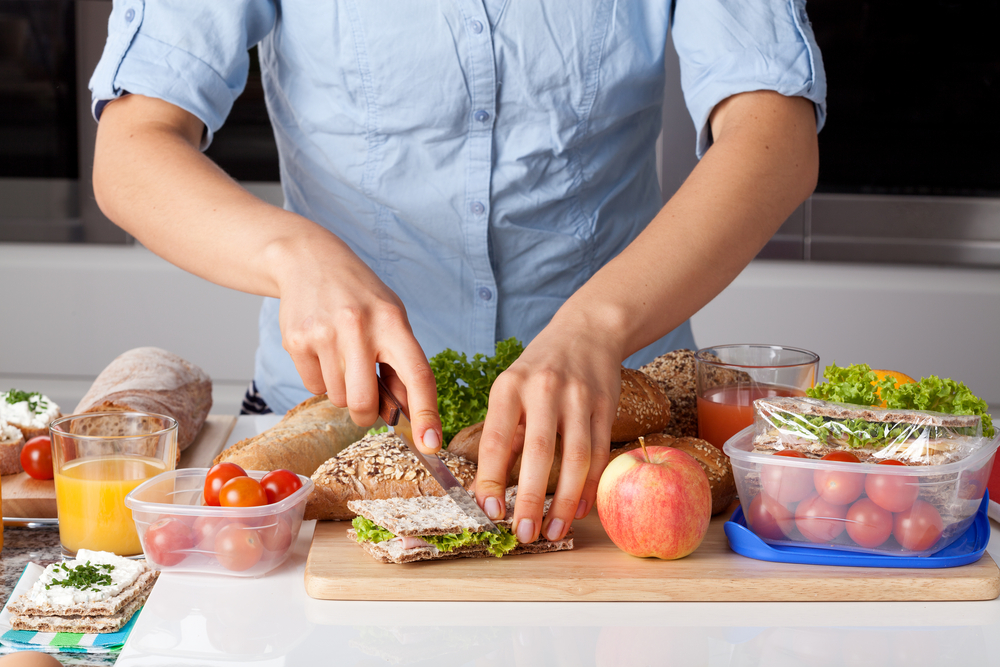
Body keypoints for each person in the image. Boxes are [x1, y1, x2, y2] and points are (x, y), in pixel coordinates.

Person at [90, 1, 825, 547]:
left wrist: (598, 322)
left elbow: (775, 133)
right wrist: (293, 253)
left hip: (614, 450)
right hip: (335, 446)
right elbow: (132, 147)